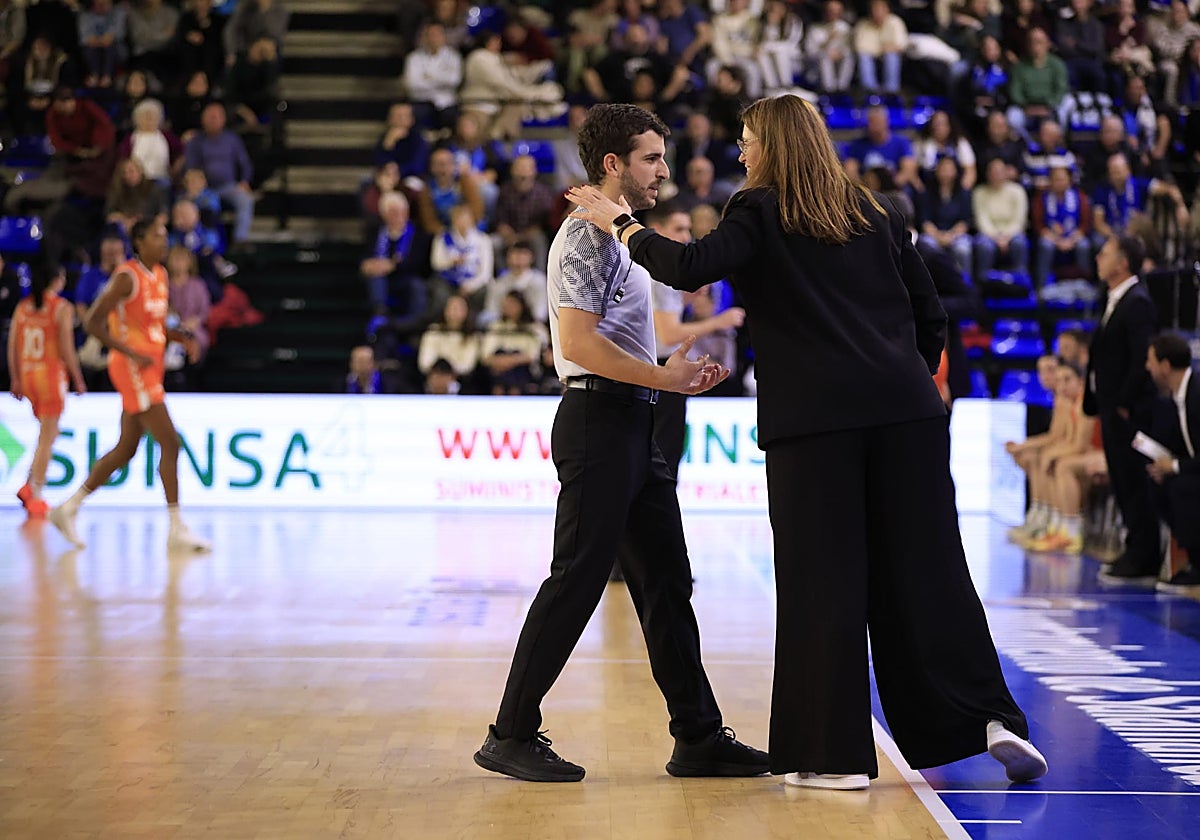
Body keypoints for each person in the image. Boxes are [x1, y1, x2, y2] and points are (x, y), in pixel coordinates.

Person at [566, 94, 1044, 790]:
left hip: (816, 426)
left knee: (823, 582)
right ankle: (991, 720)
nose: (740, 152)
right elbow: (931, 311)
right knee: (932, 573)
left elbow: (691, 266)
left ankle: (832, 757)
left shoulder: (759, 209)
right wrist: (904, 378)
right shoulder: (879, 210)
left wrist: (621, 223)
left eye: (747, 139)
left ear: (775, 145)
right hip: (907, 416)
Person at [473, 103, 768, 784]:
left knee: (667, 583)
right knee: (576, 579)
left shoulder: (623, 235)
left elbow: (621, 336)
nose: (664, 170)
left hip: (635, 421)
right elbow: (579, 345)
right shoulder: (585, 235)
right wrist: (662, 375)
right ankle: (510, 734)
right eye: (650, 158)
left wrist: (672, 367)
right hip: (597, 422)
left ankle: (698, 736)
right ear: (614, 164)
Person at [49, 220, 210, 554]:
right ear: (139, 241)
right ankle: (176, 527)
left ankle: (69, 507)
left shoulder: (161, 274)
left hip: (151, 367)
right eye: (157, 237)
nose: (164, 242)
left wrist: (180, 337)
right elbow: (93, 322)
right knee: (171, 443)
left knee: (127, 448)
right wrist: (129, 351)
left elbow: (154, 326)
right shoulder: (126, 277)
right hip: (133, 369)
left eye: (165, 237)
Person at [1086, 234, 1162, 585]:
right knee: (1121, 479)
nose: (1097, 259)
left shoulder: (1137, 302)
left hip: (1127, 411)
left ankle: (1144, 556)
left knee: (1133, 480)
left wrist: (1124, 403)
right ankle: (1134, 548)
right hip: (1109, 406)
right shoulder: (1113, 299)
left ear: (1122, 263)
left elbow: (1141, 359)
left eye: (1105, 254)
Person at [8, 262, 86, 519]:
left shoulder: (23, 307)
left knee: (48, 434)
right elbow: (66, 348)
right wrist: (77, 378)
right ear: (57, 279)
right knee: (47, 437)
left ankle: (28, 485)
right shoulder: (61, 308)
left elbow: (13, 345)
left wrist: (15, 378)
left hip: (28, 374)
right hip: (50, 377)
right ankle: (36, 493)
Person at [1145, 333, 1200, 592]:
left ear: (1165, 366)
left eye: (1150, 361)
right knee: (1159, 483)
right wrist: (1166, 466)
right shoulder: (1178, 396)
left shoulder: (1197, 393)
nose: (1147, 367)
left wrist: (1175, 466)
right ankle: (1193, 560)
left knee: (1182, 487)